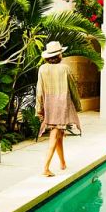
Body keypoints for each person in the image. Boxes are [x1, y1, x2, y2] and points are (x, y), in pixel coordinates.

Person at [36, 41, 82, 177]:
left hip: (49, 106)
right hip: (61, 106)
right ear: (59, 55)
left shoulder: (42, 69)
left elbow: (39, 91)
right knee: (55, 136)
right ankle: (45, 168)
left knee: (59, 135)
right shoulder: (65, 68)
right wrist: (78, 106)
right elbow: (73, 89)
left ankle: (62, 163)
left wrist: (39, 109)